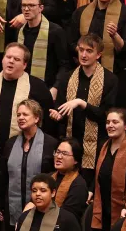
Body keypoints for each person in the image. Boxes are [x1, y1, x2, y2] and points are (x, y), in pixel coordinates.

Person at [0, 43, 53, 180]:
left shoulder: (38, 87)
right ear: (2, 59)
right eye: (8, 57)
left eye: (16, 59)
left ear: (25, 65)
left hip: (27, 155)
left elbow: (48, 124)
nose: (11, 61)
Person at [51, 35, 118, 181]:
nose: (83, 55)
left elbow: (107, 115)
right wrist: (58, 115)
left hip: (97, 145)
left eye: (89, 51)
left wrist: (82, 104)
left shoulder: (110, 80)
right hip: (71, 143)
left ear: (98, 55)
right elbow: (61, 109)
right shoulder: (67, 78)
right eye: (81, 50)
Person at [67, 0, 126, 104]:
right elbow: (71, 43)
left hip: (117, 77)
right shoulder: (81, 13)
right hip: (85, 75)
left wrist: (115, 36)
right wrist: (87, 53)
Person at [0, 99, 57, 231]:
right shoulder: (10, 144)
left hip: (42, 206)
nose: (20, 118)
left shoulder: (50, 144)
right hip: (13, 206)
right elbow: (3, 177)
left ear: (36, 118)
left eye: (25, 114)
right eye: (18, 115)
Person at [91, 108, 126, 231]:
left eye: (115, 122)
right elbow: (98, 174)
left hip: (123, 207)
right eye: (108, 122)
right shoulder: (103, 146)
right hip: (102, 205)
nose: (110, 125)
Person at [17, 0, 70, 97]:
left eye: (31, 5)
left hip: (48, 89)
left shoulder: (55, 31)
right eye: (24, 5)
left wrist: (55, 88)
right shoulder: (20, 31)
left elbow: (65, 65)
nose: (26, 9)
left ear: (41, 8)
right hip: (22, 88)